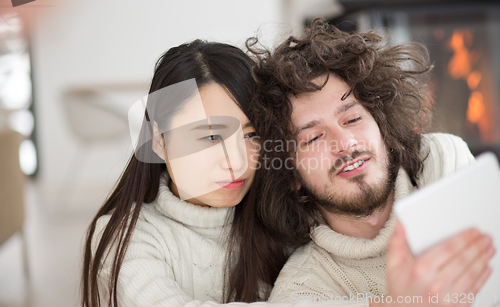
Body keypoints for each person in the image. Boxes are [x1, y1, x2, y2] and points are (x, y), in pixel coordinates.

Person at [248, 18, 495, 306]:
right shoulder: (302, 291)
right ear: (291, 175)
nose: (346, 144)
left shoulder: (442, 163)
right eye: (313, 138)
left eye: (352, 119)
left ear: (383, 126)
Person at [81, 40, 294, 307]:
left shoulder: (280, 217)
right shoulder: (123, 237)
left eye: (252, 135)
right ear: (159, 140)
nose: (237, 163)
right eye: (212, 136)